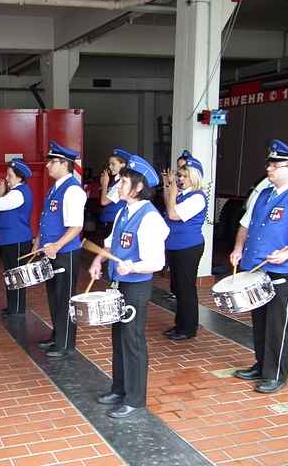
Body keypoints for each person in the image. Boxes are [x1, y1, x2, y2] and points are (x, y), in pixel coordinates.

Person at [231, 140, 288, 394]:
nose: (268, 169)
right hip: (257, 267)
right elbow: (245, 224)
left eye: (275, 165)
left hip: (286, 270)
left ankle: (276, 374)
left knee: (278, 323)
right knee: (259, 320)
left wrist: (286, 254)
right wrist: (238, 248)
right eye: (269, 164)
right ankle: (261, 365)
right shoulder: (264, 194)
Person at [89, 155, 169, 418]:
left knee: (132, 340)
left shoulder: (150, 218)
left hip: (135, 288)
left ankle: (135, 399)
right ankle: (119, 388)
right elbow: (111, 242)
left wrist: (132, 267)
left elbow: (156, 262)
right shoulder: (125, 210)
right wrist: (99, 259)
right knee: (118, 338)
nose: (118, 184)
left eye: (123, 181)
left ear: (137, 188)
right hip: (118, 284)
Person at [34, 141, 86, 358]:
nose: (47, 166)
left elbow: (76, 226)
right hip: (51, 251)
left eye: (51, 162)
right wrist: (38, 241)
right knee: (54, 296)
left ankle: (65, 343)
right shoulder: (56, 187)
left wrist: (57, 245)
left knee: (65, 298)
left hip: (65, 253)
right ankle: (57, 335)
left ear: (64, 164)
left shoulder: (72, 190)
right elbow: (48, 219)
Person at [162, 156, 207, 340]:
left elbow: (172, 214)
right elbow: (168, 205)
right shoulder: (182, 194)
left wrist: (172, 191)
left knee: (186, 288)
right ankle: (180, 324)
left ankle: (187, 328)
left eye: (184, 176)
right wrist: (167, 186)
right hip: (176, 245)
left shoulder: (197, 197)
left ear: (194, 177)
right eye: (179, 175)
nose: (180, 179)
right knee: (178, 287)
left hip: (188, 246)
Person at [0, 158, 34, 317]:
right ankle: (13, 306)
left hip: (17, 239)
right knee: (11, 275)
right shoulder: (17, 192)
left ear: (19, 177)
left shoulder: (17, 193)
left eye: (9, 175)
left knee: (16, 275)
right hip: (12, 239)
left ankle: (17, 308)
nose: (6, 178)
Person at [98, 148, 130, 231]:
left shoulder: (121, 182)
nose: (110, 167)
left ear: (123, 164)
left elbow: (104, 202)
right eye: (109, 164)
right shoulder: (116, 179)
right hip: (109, 220)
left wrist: (105, 183)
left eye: (113, 164)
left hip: (114, 221)